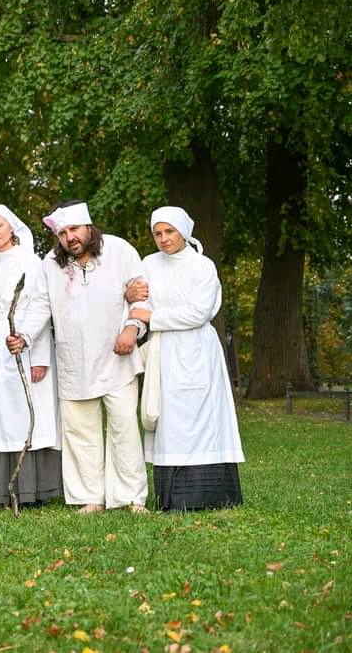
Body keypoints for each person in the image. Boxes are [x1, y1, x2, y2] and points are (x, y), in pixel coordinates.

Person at [8, 200, 149, 514]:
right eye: (62, 233)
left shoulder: (119, 250)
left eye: (74, 229)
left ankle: (131, 498)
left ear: (88, 227)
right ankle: (90, 498)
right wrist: (25, 335)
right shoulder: (51, 264)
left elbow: (142, 292)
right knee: (80, 433)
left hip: (117, 356)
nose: (69, 237)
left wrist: (132, 328)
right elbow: (41, 305)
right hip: (74, 361)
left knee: (124, 427)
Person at [127, 206, 244, 511]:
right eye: (158, 233)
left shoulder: (202, 266)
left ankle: (211, 495)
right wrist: (137, 312)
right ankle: (174, 498)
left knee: (202, 420)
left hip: (197, 351)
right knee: (170, 423)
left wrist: (153, 317)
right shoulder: (148, 264)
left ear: (184, 231)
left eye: (169, 232)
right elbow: (139, 303)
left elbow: (199, 312)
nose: (163, 239)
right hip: (164, 353)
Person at [0, 205, 62, 507]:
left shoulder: (32, 263)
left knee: (28, 416)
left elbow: (42, 307)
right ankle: (3, 490)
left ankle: (34, 490)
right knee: (3, 419)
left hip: (25, 348)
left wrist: (36, 353)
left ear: (11, 228)